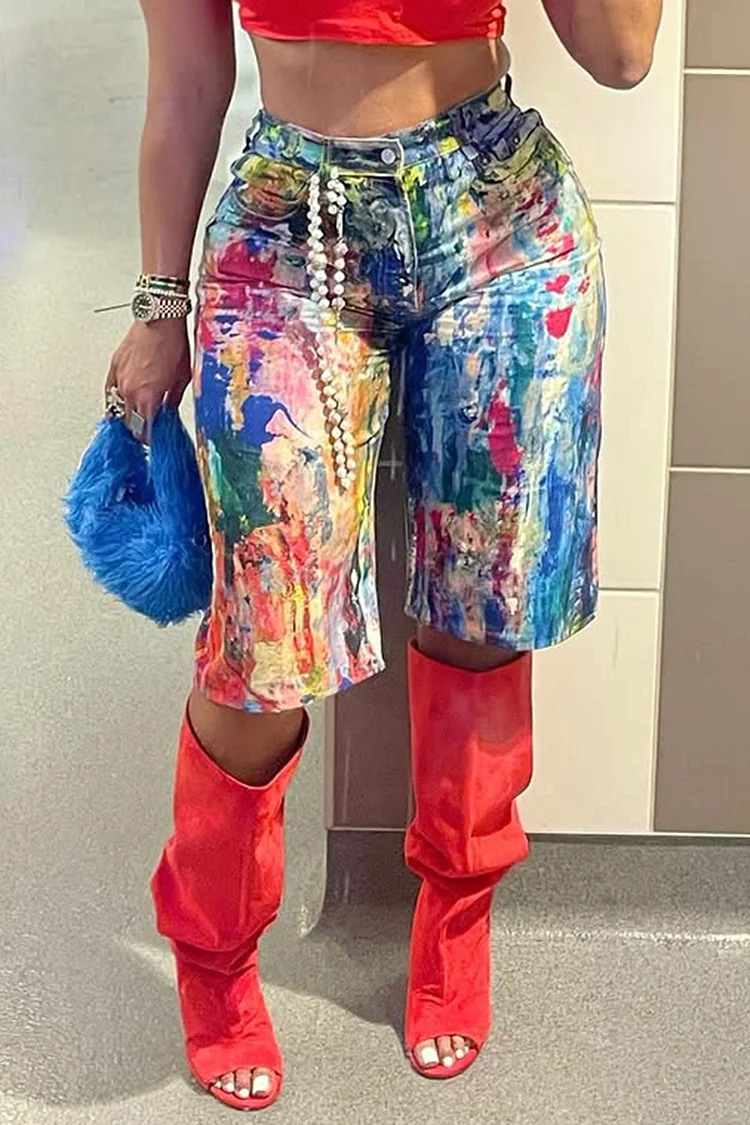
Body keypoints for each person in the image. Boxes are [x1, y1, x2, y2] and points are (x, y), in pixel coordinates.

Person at [107, 0, 662, 1111]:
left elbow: (622, 55)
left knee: (485, 601)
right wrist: (161, 303)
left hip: (502, 220)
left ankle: (457, 910)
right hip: (287, 236)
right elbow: (186, 85)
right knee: (262, 646)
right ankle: (214, 951)